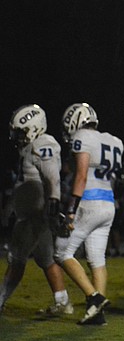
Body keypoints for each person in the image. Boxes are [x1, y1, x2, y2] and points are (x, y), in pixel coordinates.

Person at [55, 103, 124, 325]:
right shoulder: (114, 140)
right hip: (108, 202)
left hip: (89, 202)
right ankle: (97, 313)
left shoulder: (83, 136)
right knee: (96, 258)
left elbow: (82, 176)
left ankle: (94, 297)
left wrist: (72, 210)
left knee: (61, 252)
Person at [0, 105, 71, 316]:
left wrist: (53, 204)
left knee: (17, 258)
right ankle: (62, 301)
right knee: (46, 259)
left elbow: (52, 177)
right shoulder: (30, 147)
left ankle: (1, 299)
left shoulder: (44, 143)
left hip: (35, 216)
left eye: (21, 131)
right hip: (30, 213)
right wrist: (12, 206)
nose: (17, 136)